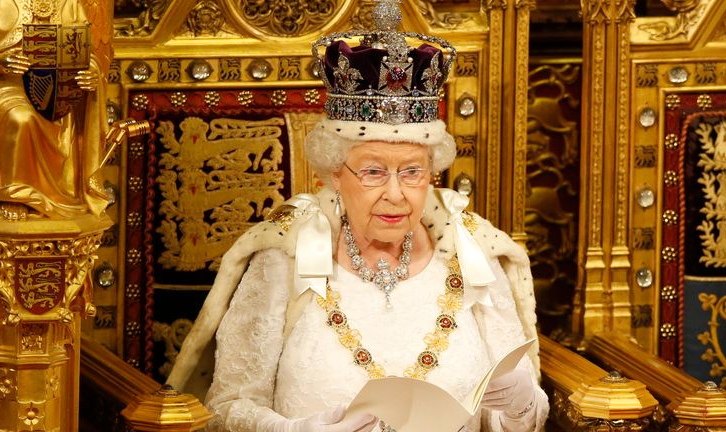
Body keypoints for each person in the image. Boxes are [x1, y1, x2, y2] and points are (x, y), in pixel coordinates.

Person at [167, 1, 548, 430]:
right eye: (372, 172)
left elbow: (520, 411)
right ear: (334, 173)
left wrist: (521, 404)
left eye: (412, 172)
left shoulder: (473, 253)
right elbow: (227, 407)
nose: (395, 194)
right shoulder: (283, 256)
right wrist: (297, 431)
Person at [0, 0, 109, 220]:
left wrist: (90, 73)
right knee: (20, 118)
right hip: (10, 88)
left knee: (51, 116)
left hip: (59, 95)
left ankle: (56, 194)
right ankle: (14, 194)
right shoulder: (5, 2)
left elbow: (85, 53)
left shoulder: (69, 4)